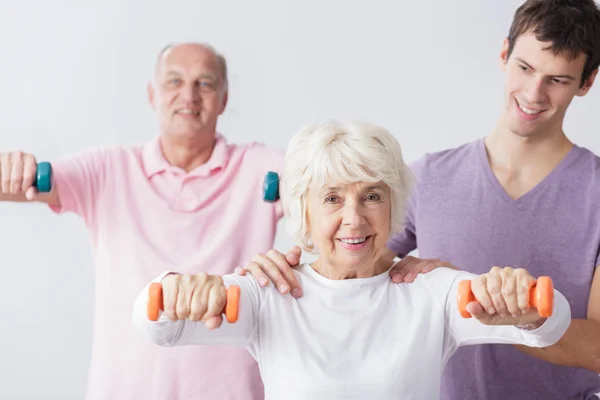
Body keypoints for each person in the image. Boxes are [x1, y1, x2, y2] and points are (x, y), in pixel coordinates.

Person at [244, 1, 600, 399]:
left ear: (586, 83)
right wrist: (282, 269)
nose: (534, 93)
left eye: (558, 80)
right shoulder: (428, 177)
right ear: (504, 54)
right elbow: (354, 272)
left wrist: (477, 307)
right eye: (525, 68)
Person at [133, 120, 571, 400]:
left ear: (393, 204)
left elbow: (552, 324)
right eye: (332, 198)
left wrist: (523, 302)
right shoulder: (269, 291)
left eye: (372, 196)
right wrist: (175, 288)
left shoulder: (430, 293)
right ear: (302, 209)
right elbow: (156, 326)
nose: (353, 218)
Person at [0, 42, 289, 399]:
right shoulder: (109, 170)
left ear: (224, 99)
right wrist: (11, 171)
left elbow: (339, 183)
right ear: (152, 94)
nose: (189, 95)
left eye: (205, 83)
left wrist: (381, 253)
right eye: (174, 82)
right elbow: (27, 183)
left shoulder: (260, 169)